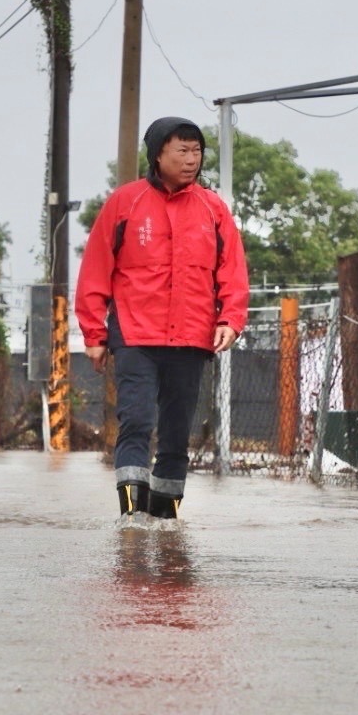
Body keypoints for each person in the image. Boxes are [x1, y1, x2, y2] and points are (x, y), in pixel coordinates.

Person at [75, 116, 249, 519]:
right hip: (136, 335)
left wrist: (230, 320)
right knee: (136, 419)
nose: (192, 160)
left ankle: (165, 521)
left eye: (197, 151)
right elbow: (97, 268)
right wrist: (93, 333)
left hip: (192, 337)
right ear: (157, 155)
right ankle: (131, 520)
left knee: (175, 433)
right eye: (182, 151)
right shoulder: (125, 202)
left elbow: (233, 270)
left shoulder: (213, 207)